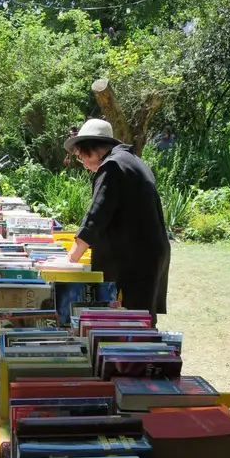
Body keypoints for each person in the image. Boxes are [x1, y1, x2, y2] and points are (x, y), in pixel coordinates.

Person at [62, 118, 172, 324]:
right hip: (146, 255)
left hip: (134, 259)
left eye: (80, 156)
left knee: (130, 323)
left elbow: (95, 218)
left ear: (90, 148)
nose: (83, 163)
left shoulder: (112, 166)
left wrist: (69, 261)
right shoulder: (131, 160)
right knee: (140, 318)